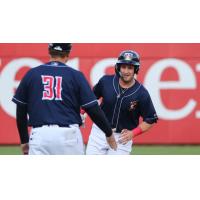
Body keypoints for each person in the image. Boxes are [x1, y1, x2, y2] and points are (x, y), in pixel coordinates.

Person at [12, 43, 117, 155]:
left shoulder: (32, 74)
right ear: (67, 55)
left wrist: (24, 140)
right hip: (68, 135)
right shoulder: (76, 75)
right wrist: (108, 132)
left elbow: (21, 110)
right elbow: (93, 109)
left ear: (49, 52)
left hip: (40, 135)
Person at [86, 50, 158, 155]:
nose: (126, 71)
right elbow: (91, 98)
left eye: (130, 68)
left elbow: (151, 119)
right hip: (99, 132)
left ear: (136, 69)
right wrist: (82, 111)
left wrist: (133, 133)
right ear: (118, 67)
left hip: (122, 138)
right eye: (123, 67)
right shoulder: (106, 81)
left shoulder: (142, 93)